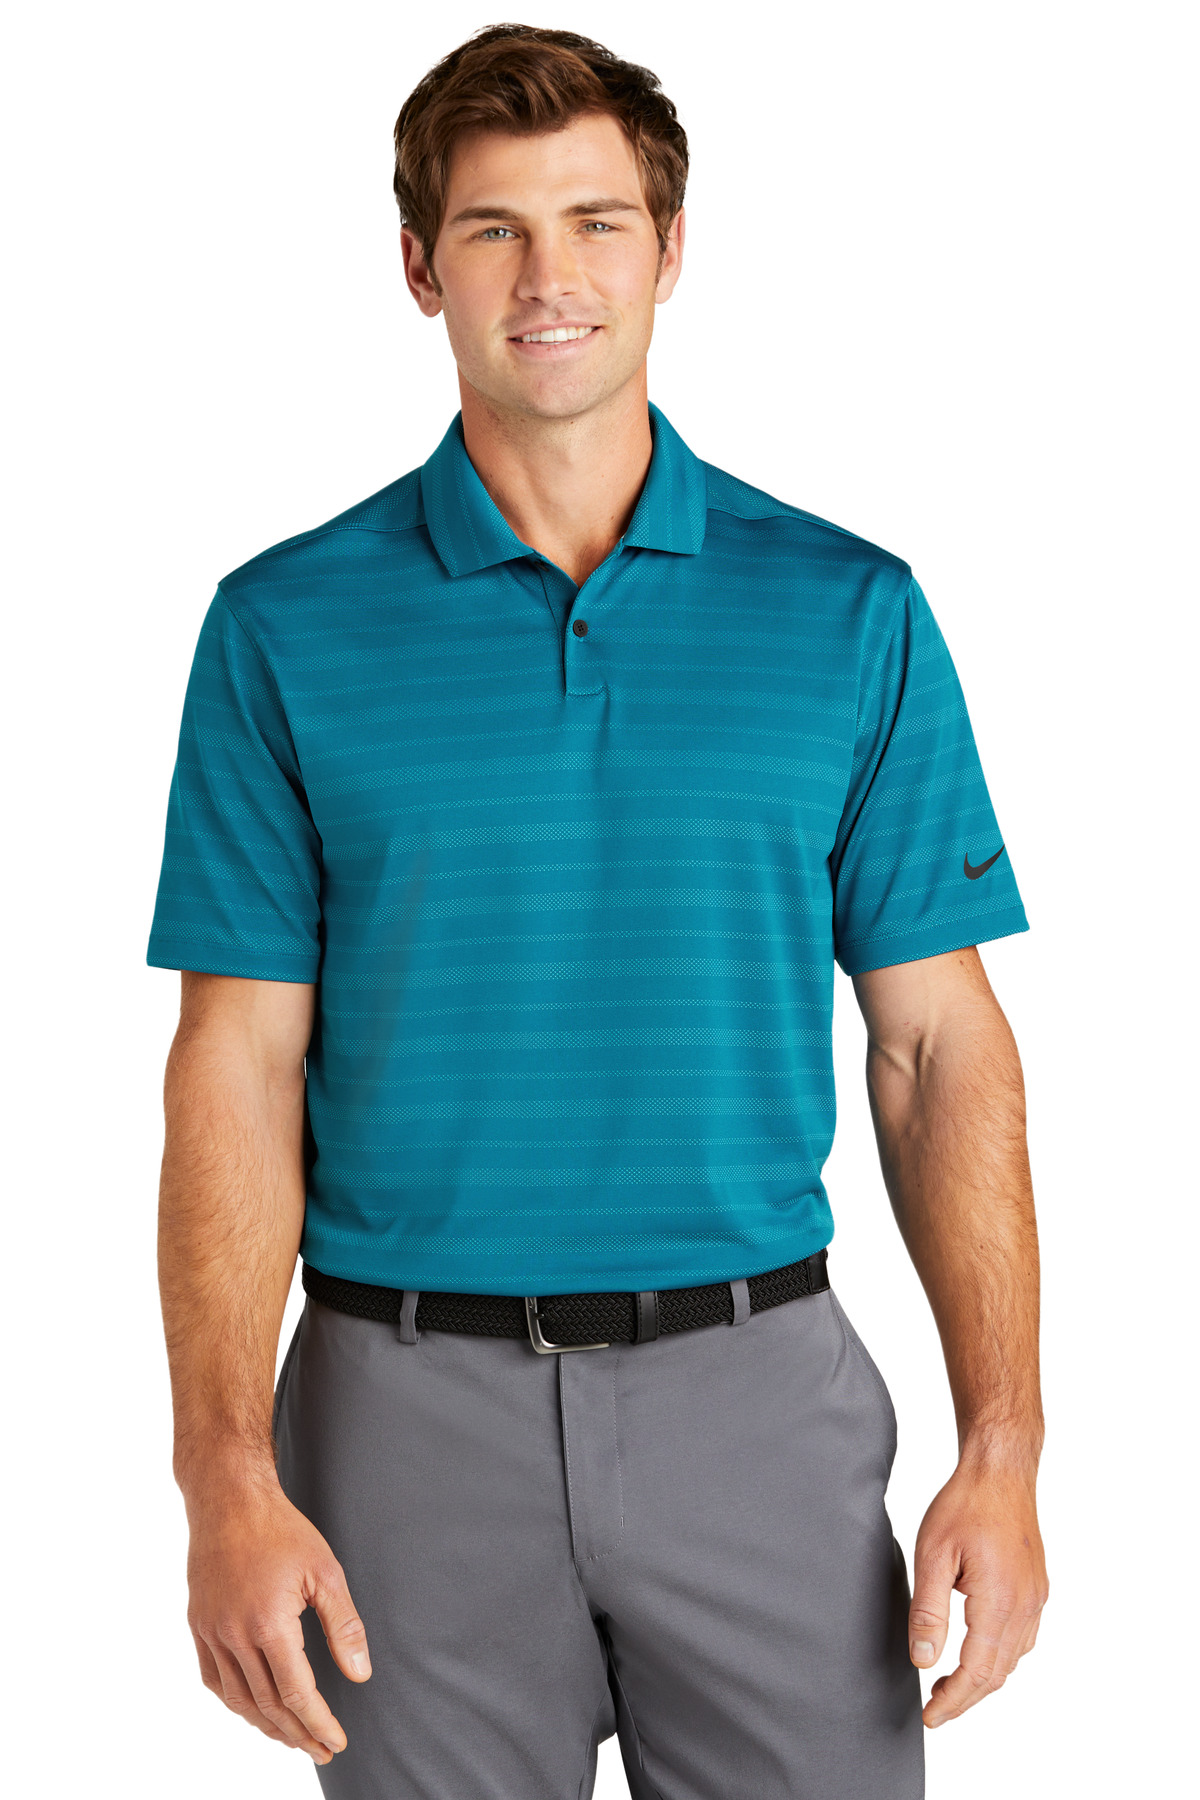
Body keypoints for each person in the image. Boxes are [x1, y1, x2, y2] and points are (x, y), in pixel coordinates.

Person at [149, 24, 1048, 1800]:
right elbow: (234, 1067)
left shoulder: (850, 611)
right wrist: (222, 1479)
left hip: (761, 1402)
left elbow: (937, 1048)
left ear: (670, 250)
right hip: (403, 1423)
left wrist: (1006, 1443)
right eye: (493, 229)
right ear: (420, 266)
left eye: (595, 222)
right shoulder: (283, 628)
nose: (547, 275)